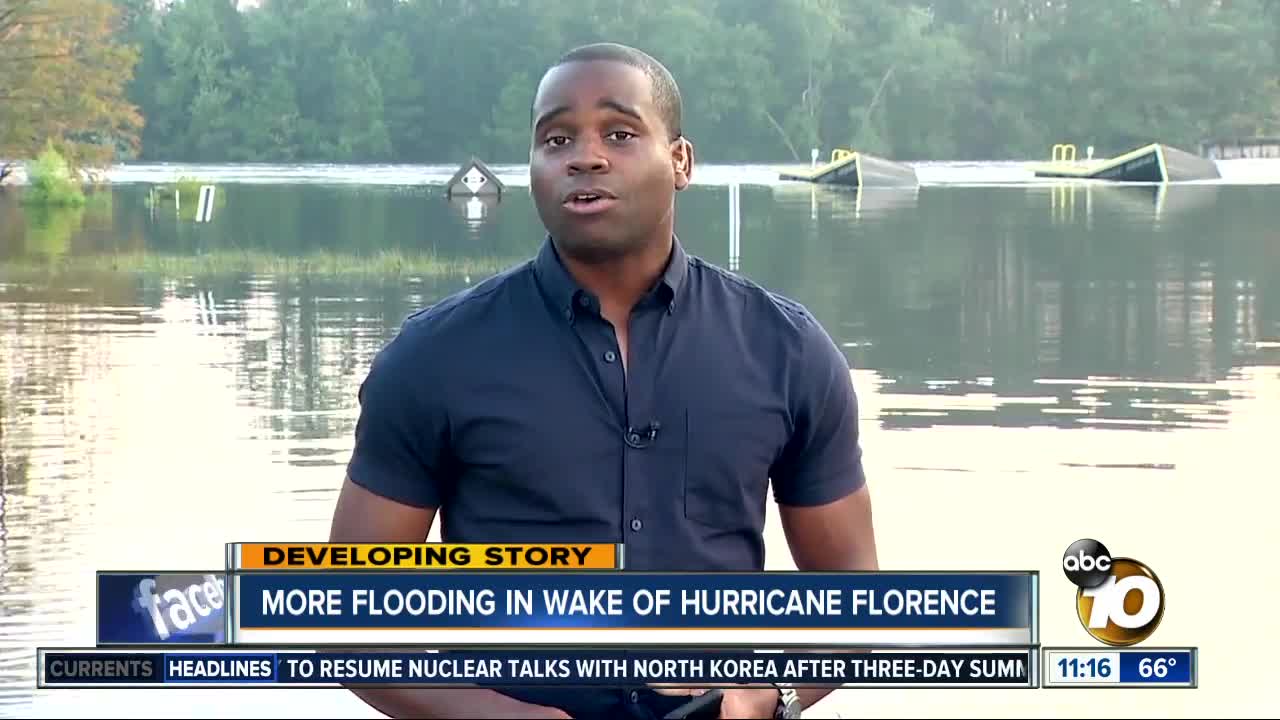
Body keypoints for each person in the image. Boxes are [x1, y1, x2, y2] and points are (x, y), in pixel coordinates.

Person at [329, 42, 878, 719]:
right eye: (555, 138)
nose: (583, 157)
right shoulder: (434, 359)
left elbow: (855, 602)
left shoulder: (787, 352)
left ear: (681, 161)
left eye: (619, 133)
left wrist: (763, 698)